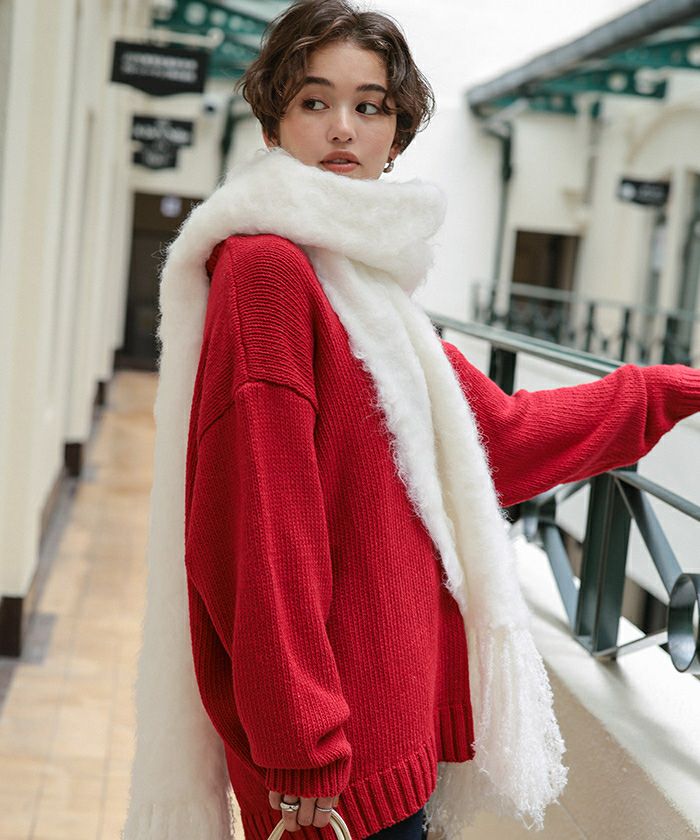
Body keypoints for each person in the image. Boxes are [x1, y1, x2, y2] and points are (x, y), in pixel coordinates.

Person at [122, 2, 700, 840]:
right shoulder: (269, 272)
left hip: (393, 727)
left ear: (397, 134)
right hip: (329, 767)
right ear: (273, 120)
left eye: (371, 106)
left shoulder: (362, 284)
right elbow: (263, 530)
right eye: (315, 101)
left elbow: (499, 436)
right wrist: (301, 750)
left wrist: (671, 390)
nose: (343, 128)